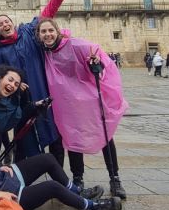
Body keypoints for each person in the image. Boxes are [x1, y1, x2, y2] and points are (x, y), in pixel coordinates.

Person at [37, 18, 128, 199]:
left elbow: (98, 61)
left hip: (89, 100)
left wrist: (95, 63)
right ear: (39, 36)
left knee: (105, 135)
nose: (47, 34)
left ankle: (115, 178)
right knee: (72, 137)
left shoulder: (77, 45)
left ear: (57, 31)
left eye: (50, 31)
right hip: (67, 103)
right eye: (43, 32)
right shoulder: (44, 53)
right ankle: (78, 178)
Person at [0, 0, 71, 162]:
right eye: (0, 24)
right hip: (20, 101)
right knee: (23, 137)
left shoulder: (28, 32)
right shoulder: (0, 52)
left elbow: (47, 15)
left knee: (54, 134)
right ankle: (23, 179)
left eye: (6, 21)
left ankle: (58, 175)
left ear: (12, 22)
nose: (5, 24)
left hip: (43, 91)